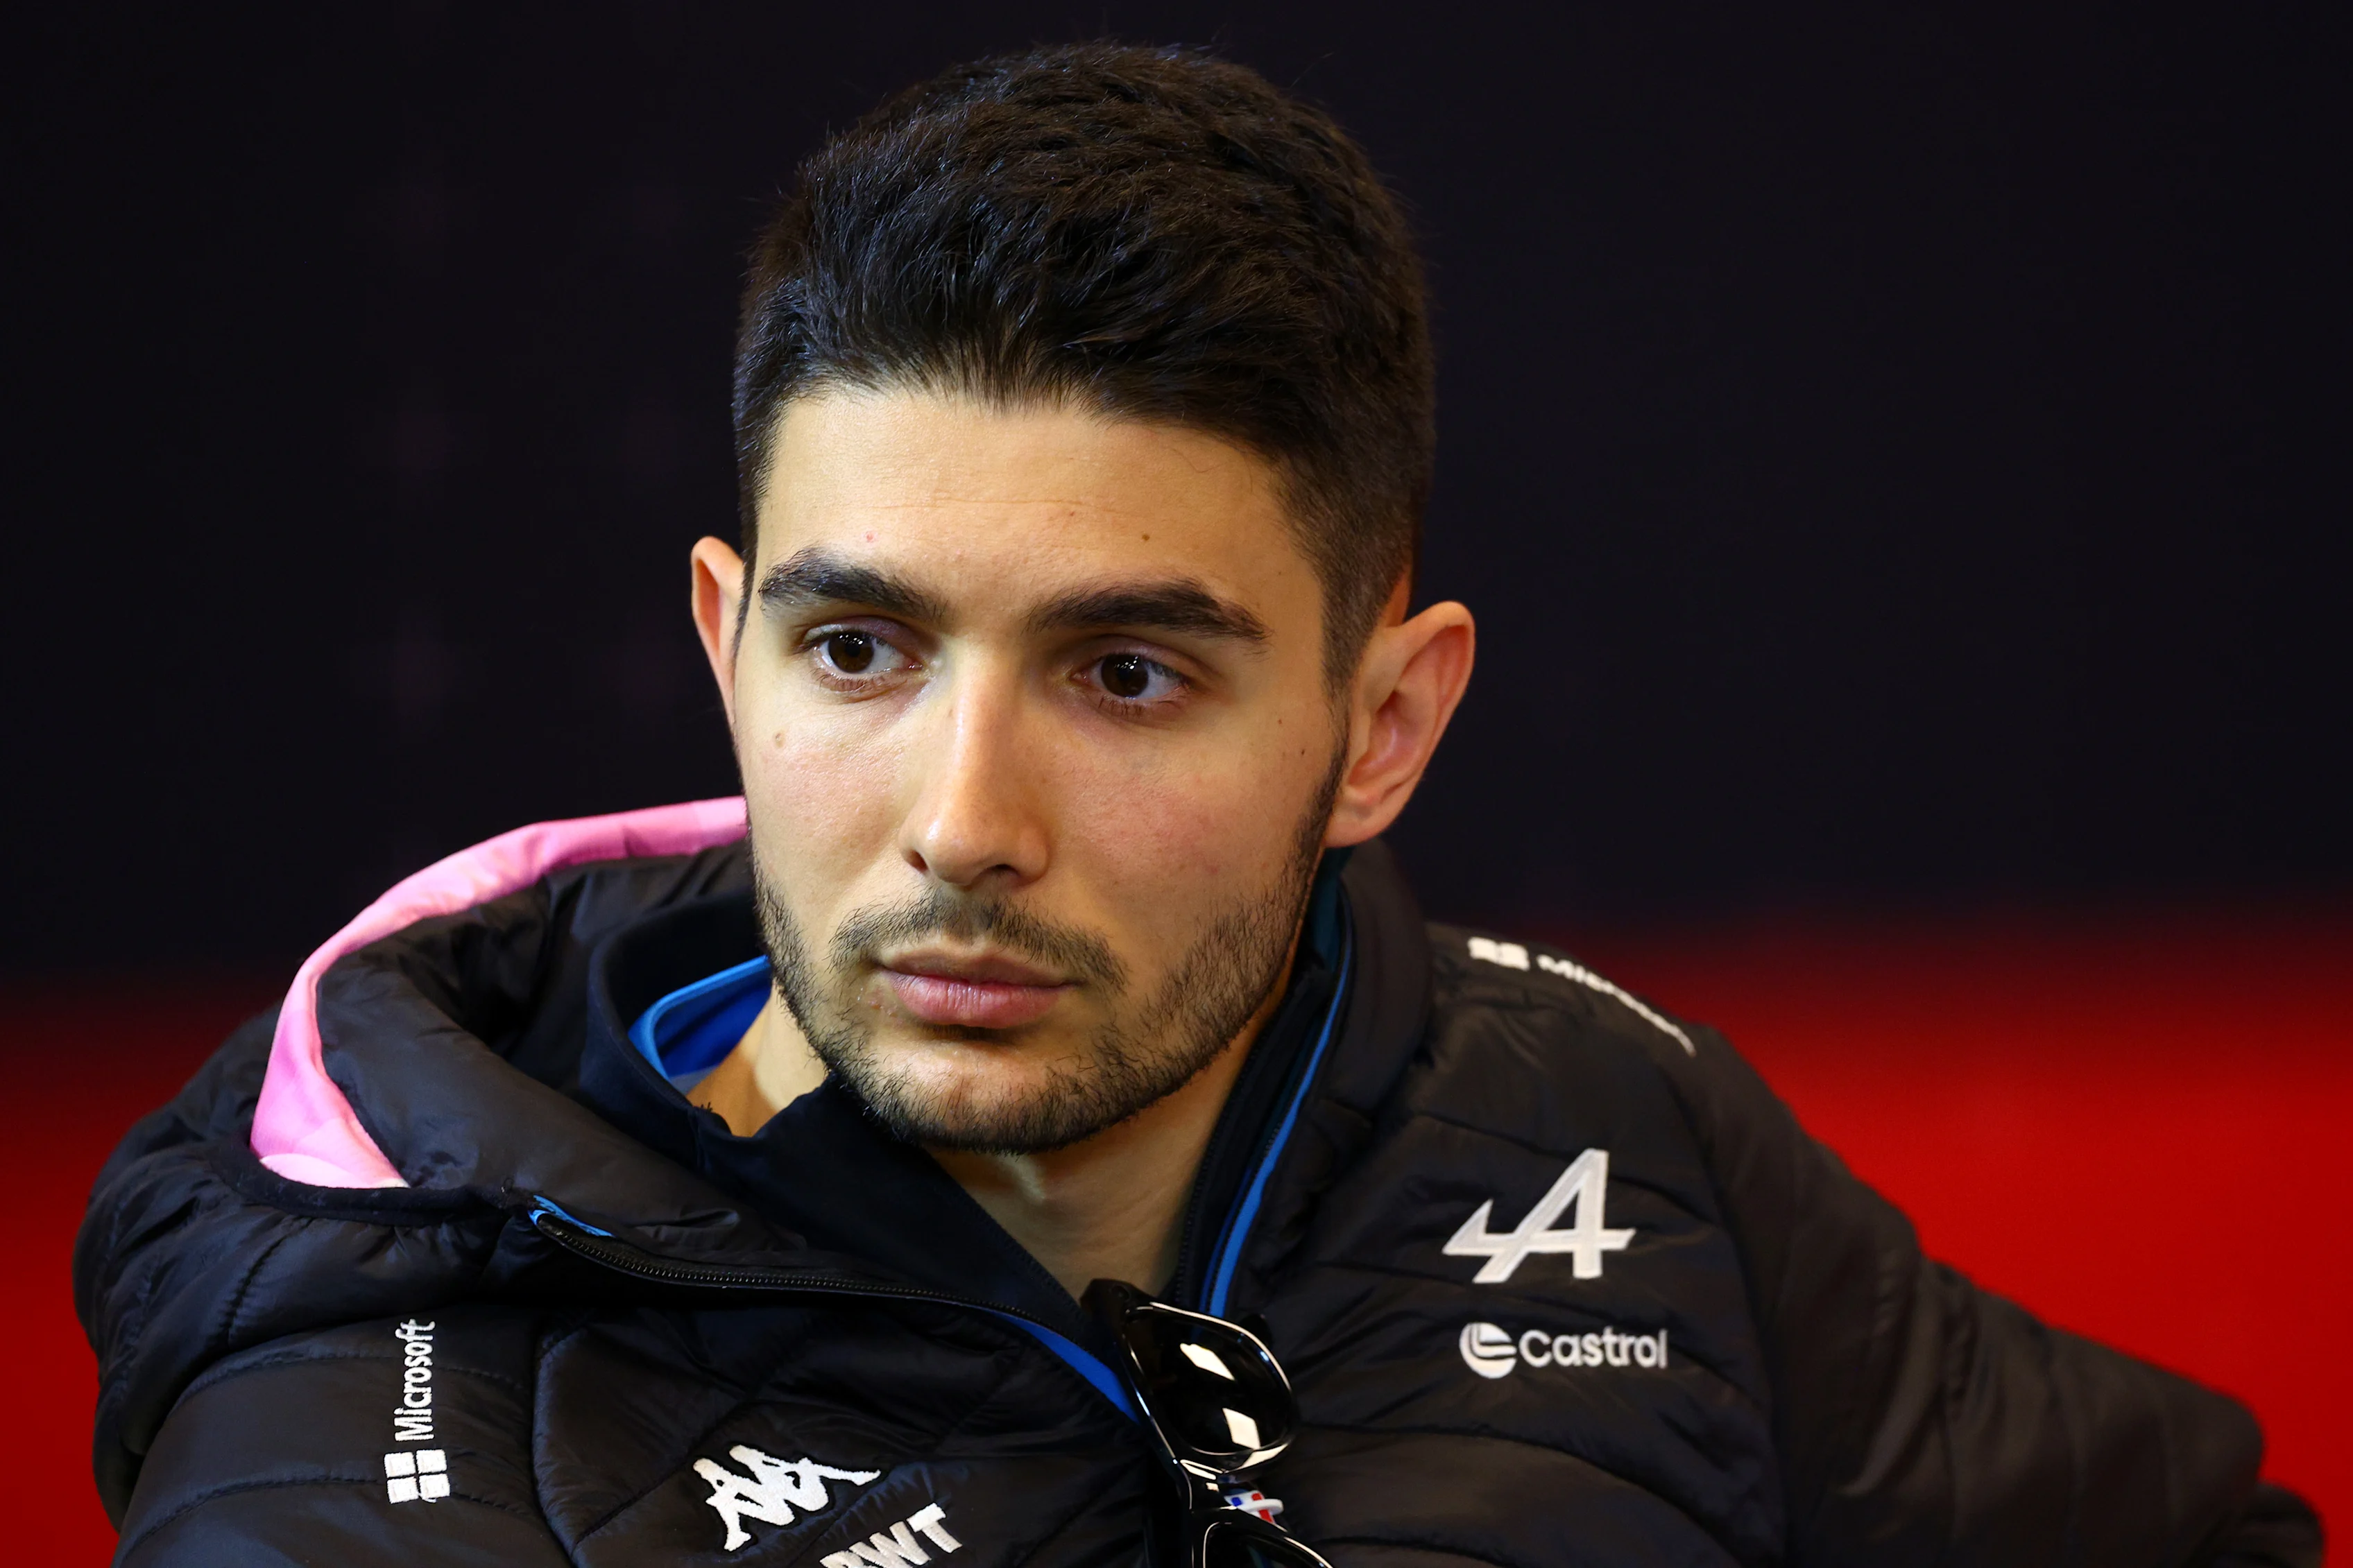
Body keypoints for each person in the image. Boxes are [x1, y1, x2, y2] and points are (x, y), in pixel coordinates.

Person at [76, 42, 2320, 1568]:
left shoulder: (1620, 1146)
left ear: (1383, 726)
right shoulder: (361, 1401)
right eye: (860, 651)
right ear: (723, 645)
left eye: (1126, 673)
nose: (963, 818)